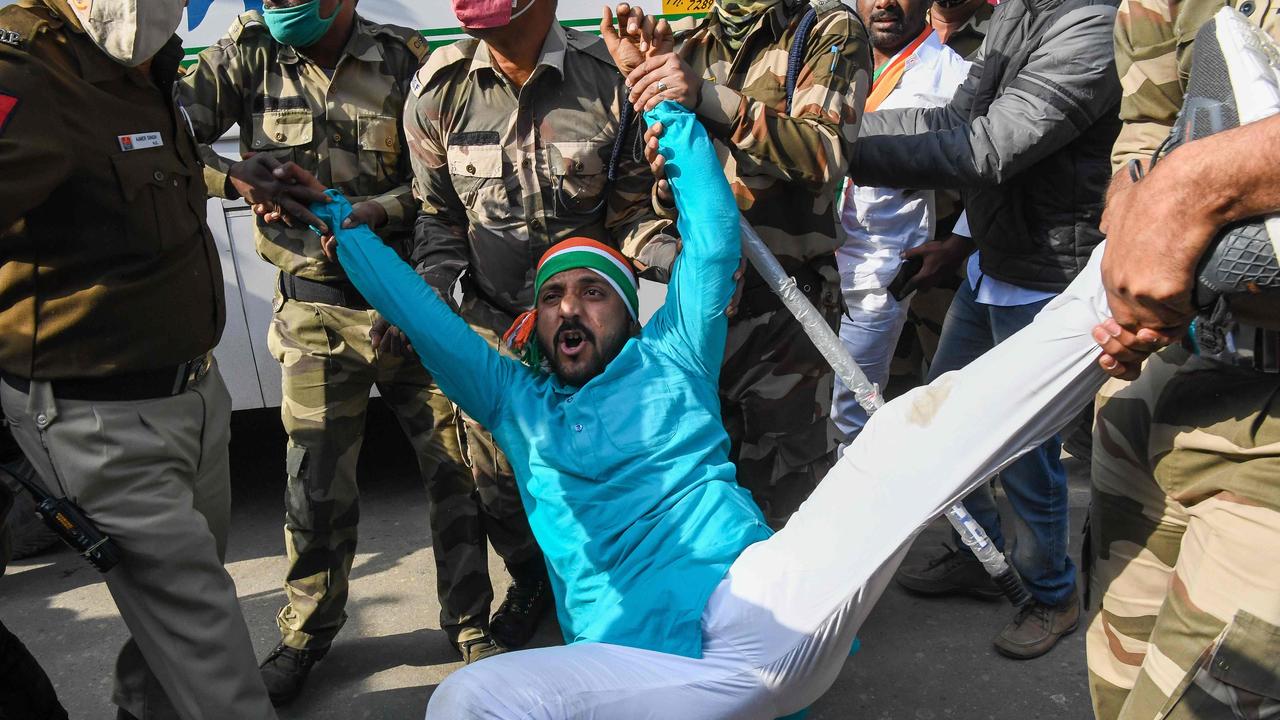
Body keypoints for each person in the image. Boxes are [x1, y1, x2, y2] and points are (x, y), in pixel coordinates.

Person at [287, 98, 1114, 718]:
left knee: (901, 438)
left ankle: (1110, 299)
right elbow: (424, 318)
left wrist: (672, 117)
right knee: (465, 702)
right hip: (637, 680)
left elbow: (715, 238)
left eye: (591, 293)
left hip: (760, 622)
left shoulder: (674, 357)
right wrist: (335, 220)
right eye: (552, 299)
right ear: (534, 326)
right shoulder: (514, 401)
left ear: (626, 308)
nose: (569, 308)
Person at [175, 0, 482, 701]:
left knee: (457, 475)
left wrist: (378, 212)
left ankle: (471, 625)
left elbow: (440, 182)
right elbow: (162, 141)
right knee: (313, 486)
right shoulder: (248, 54)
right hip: (313, 309)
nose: (279, 7)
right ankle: (307, 634)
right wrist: (236, 179)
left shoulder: (403, 57)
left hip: (404, 303)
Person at [0, 1, 276, 717]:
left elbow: (154, 156)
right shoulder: (24, 68)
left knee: (183, 605)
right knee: (210, 644)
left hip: (193, 396)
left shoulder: (135, 55)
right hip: (100, 417)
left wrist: (235, 177)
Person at [847, 0, 1123, 659]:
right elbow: (953, 117)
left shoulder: (1091, 24)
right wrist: (835, 133)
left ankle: (1050, 593)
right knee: (946, 418)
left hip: (1043, 272)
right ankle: (986, 551)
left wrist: (843, 156)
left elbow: (988, 147)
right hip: (998, 261)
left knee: (1025, 448)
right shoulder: (1024, 12)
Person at [399, 0, 675, 656]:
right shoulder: (440, 90)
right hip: (495, 340)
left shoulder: (606, 78)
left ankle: (622, 588)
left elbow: (635, 212)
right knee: (502, 492)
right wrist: (437, 308)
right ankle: (532, 582)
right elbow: (437, 220)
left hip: (594, 341)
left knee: (609, 471)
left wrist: (674, 265)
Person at [602, 0, 871, 528]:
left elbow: (826, 151)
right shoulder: (688, 40)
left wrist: (704, 97)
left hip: (786, 311)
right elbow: (649, 196)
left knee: (788, 484)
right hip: (706, 304)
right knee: (706, 481)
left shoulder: (824, 28)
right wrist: (666, 172)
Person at [1084, 0, 1280, 716]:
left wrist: (1202, 184)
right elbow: (1146, 121)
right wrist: (1134, 231)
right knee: (1120, 688)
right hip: (1164, 396)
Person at [830, 0, 969, 439]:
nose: (885, 2)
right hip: (807, 263)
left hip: (875, 275)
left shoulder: (954, 76)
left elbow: (997, 170)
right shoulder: (826, 57)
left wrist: (961, 241)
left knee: (851, 414)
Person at [882, 0, 992, 395]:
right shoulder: (891, 26)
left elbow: (1003, 151)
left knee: (945, 389)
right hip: (883, 250)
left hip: (952, 249)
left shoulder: (998, 37)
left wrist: (959, 244)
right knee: (881, 387)